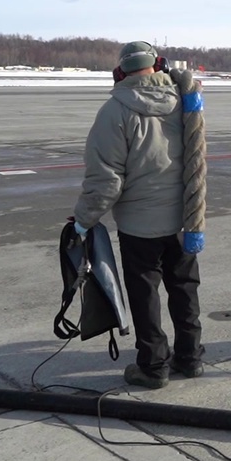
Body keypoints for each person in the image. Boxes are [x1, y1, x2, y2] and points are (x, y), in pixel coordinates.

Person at [72, 41, 205, 388]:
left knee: (146, 295)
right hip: (184, 221)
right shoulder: (185, 102)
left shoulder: (114, 112)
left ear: (121, 72)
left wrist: (83, 221)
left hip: (140, 228)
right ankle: (190, 358)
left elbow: (106, 180)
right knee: (185, 288)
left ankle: (153, 365)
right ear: (157, 66)